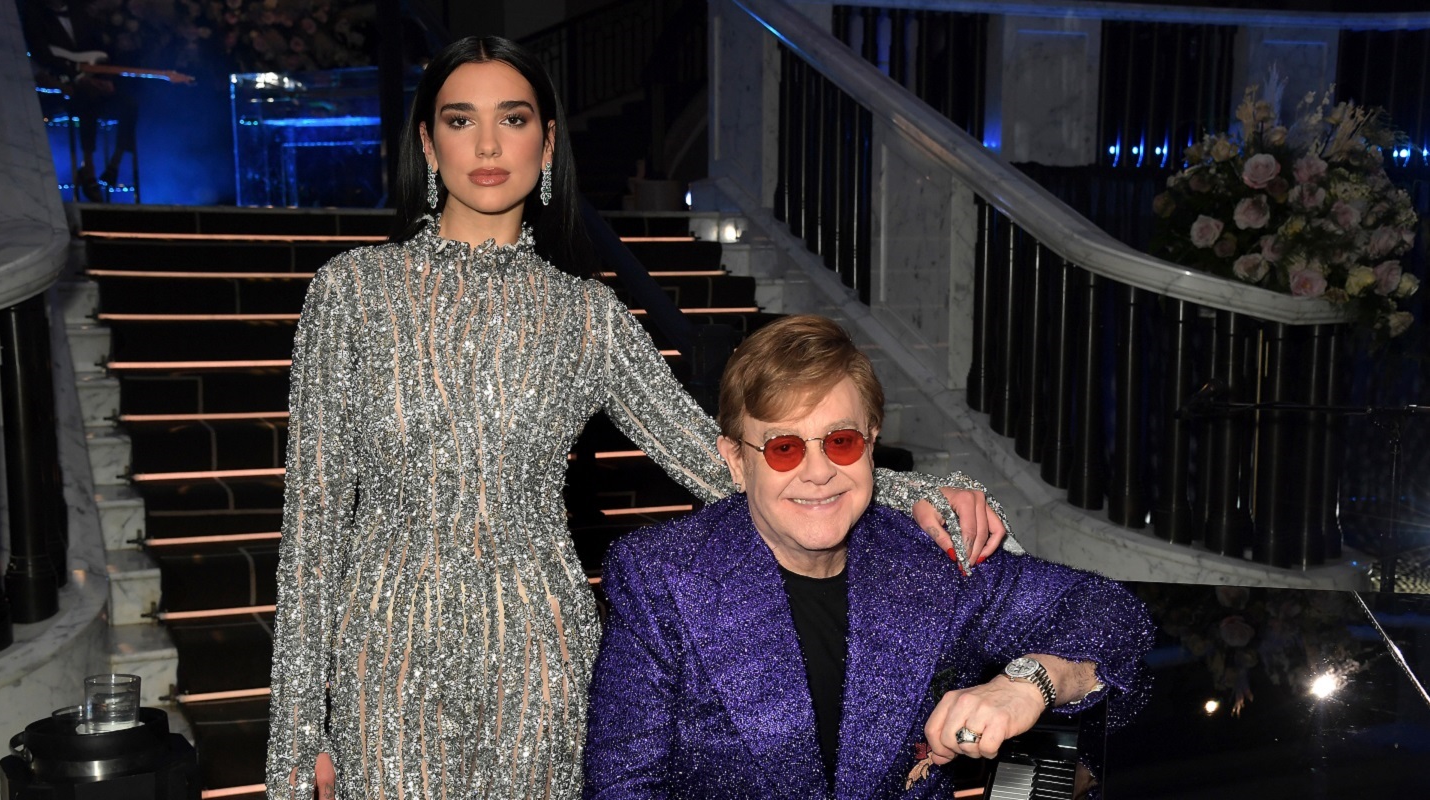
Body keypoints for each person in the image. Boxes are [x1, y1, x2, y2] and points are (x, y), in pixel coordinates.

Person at [264, 37, 1012, 800]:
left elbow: (714, 459)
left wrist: (908, 493)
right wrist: (297, 734)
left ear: (546, 144)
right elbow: (312, 526)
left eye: (513, 119)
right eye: (461, 120)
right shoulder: (351, 293)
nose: (487, 145)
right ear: (428, 144)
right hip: (387, 653)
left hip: (540, 659)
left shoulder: (586, 315)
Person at [583, 315, 1154, 800]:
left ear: (871, 444)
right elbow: (622, 786)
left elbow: (1111, 614)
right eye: (783, 448)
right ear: (736, 461)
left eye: (841, 441)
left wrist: (1029, 682)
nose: (818, 472)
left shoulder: (926, 560)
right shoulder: (662, 576)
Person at [20, 0, 138, 202]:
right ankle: (88, 168)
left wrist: (105, 79)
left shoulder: (81, 13)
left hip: (91, 79)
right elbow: (42, 55)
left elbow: (100, 51)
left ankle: (114, 164)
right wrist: (77, 78)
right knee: (87, 99)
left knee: (129, 103)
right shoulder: (35, 14)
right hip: (61, 86)